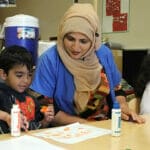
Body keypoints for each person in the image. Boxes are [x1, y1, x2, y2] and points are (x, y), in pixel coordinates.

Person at [30, 3, 145, 125]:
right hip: (68, 130)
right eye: (70, 39)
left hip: (106, 126)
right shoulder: (50, 60)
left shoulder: (103, 54)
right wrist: (86, 125)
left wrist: (122, 106)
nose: (76, 47)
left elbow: (117, 89)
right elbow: (44, 108)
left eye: (83, 41)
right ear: (62, 35)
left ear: (93, 40)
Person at [0, 45, 54, 134]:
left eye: (29, 75)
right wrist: (6, 117)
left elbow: (35, 127)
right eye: (19, 75)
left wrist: (45, 120)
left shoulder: (31, 100)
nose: (26, 80)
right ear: (3, 74)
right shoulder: (2, 94)